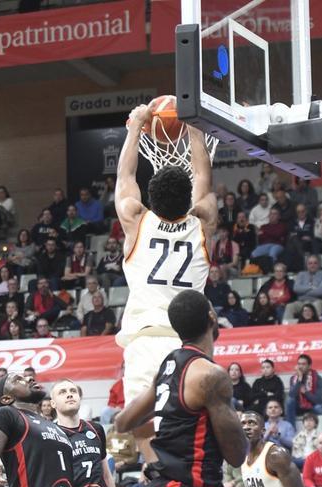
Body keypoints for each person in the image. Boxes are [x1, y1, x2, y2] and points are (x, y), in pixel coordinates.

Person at [115, 106, 218, 464]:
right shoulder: (203, 220)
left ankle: (157, 473)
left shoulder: (134, 219)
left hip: (145, 339)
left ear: (150, 199)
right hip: (188, 342)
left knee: (141, 426)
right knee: (192, 430)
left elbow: (125, 178)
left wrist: (136, 127)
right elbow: (203, 174)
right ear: (189, 197)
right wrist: (193, 124)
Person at [115, 290, 248, 487]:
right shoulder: (211, 375)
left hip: (160, 486)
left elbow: (123, 422)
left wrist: (169, 411)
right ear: (212, 317)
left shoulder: (168, 365)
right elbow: (237, 454)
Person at [0, 372, 74, 487]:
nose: (30, 378)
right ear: (7, 398)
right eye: (18, 380)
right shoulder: (7, 414)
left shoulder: (56, 427)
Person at [52, 379, 115, 487]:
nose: (69, 394)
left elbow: (106, 473)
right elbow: (46, 479)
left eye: (73, 391)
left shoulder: (96, 429)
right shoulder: (50, 434)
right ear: (53, 403)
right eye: (62, 392)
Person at [240, 411, 305, 487]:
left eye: (251, 423)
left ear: (263, 431)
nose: (246, 427)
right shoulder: (242, 460)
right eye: (243, 424)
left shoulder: (276, 455)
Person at [286, 354, 322, 425]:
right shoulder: (293, 378)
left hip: (312, 406)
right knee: (289, 401)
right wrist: (299, 379)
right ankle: (291, 430)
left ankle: (319, 432)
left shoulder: (317, 378)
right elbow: (292, 395)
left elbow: (318, 400)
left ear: (309, 366)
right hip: (299, 407)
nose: (300, 367)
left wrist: (305, 392)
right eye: (299, 364)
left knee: (319, 407)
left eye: (303, 364)